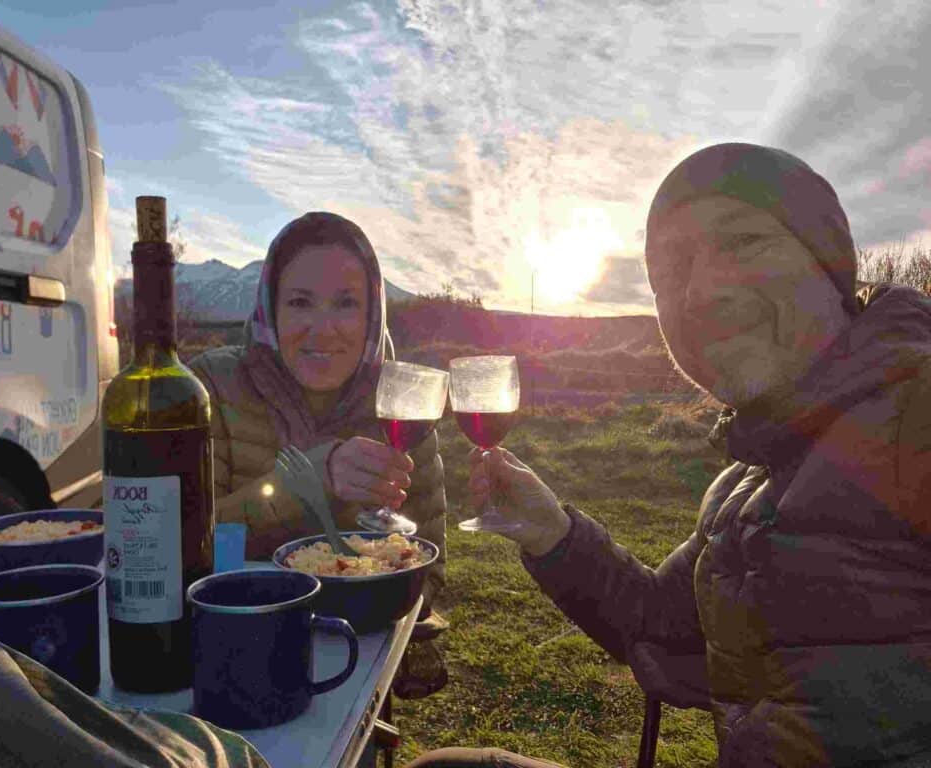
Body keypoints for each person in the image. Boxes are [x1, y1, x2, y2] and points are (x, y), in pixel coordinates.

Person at [406, 143, 931, 767]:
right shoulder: (748, 479)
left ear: (831, 263)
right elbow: (658, 622)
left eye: (743, 242)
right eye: (670, 271)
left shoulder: (915, 413)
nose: (702, 292)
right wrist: (551, 532)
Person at [189, 212, 450, 661]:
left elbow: (430, 574)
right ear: (271, 307)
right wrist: (307, 479)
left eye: (346, 303)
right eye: (300, 302)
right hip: (228, 650)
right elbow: (175, 546)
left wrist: (385, 568)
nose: (322, 328)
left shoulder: (402, 407)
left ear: (373, 314)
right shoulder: (211, 387)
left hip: (358, 659)